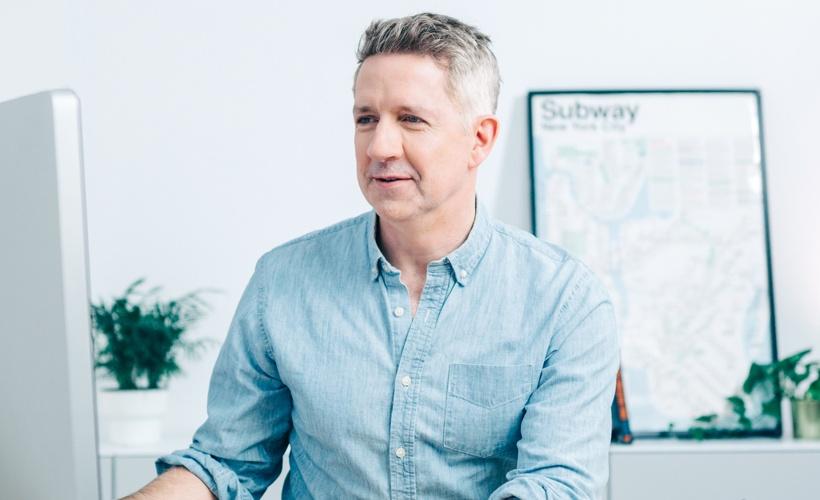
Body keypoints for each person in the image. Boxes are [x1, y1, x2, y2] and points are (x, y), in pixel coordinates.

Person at [126, 12, 619, 500]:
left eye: (411, 119)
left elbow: (559, 484)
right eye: (367, 119)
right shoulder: (282, 281)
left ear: (480, 139)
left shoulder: (564, 301)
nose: (379, 146)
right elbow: (225, 465)